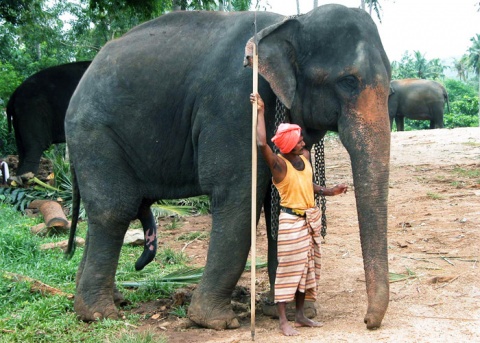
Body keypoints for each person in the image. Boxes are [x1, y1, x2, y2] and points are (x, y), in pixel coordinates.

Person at [250, 93, 348, 336]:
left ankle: (301, 315)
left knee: (306, 269)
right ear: (287, 146)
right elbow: (262, 144)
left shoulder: (304, 158)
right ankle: (284, 320)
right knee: (288, 271)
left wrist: (329, 191)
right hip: (291, 222)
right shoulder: (279, 165)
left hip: (309, 220)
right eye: (298, 141)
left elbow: (308, 185)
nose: (303, 143)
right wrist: (260, 111)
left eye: (301, 140)